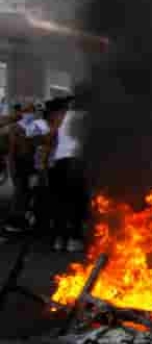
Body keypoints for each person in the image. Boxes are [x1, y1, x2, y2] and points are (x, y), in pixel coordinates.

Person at [47, 96, 88, 253]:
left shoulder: (61, 116)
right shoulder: (86, 116)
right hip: (76, 162)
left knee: (59, 202)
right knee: (76, 202)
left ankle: (58, 240)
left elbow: (51, 137)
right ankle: (74, 239)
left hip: (59, 162)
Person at [7, 102, 48, 233]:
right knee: (21, 192)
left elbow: (38, 145)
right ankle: (15, 221)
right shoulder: (16, 128)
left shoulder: (32, 126)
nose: (31, 114)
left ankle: (23, 219)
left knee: (28, 192)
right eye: (29, 112)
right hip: (21, 164)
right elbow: (13, 150)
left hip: (28, 164)